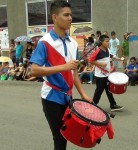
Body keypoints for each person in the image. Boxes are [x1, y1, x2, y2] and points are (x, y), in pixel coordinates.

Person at [29, 1, 92, 150]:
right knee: (59, 137)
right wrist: (64, 66)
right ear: (55, 17)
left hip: (67, 96)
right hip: (51, 97)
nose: (70, 18)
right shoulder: (45, 42)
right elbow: (34, 70)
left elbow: (74, 72)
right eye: (66, 15)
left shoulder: (73, 44)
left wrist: (83, 94)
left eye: (71, 15)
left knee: (68, 134)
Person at [89, 34, 123, 111]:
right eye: (106, 41)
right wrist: (100, 64)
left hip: (107, 74)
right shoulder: (97, 51)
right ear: (101, 42)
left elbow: (111, 55)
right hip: (100, 76)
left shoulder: (107, 50)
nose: (108, 43)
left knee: (109, 90)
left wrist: (117, 58)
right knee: (99, 91)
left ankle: (113, 105)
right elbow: (90, 60)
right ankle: (93, 104)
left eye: (109, 41)